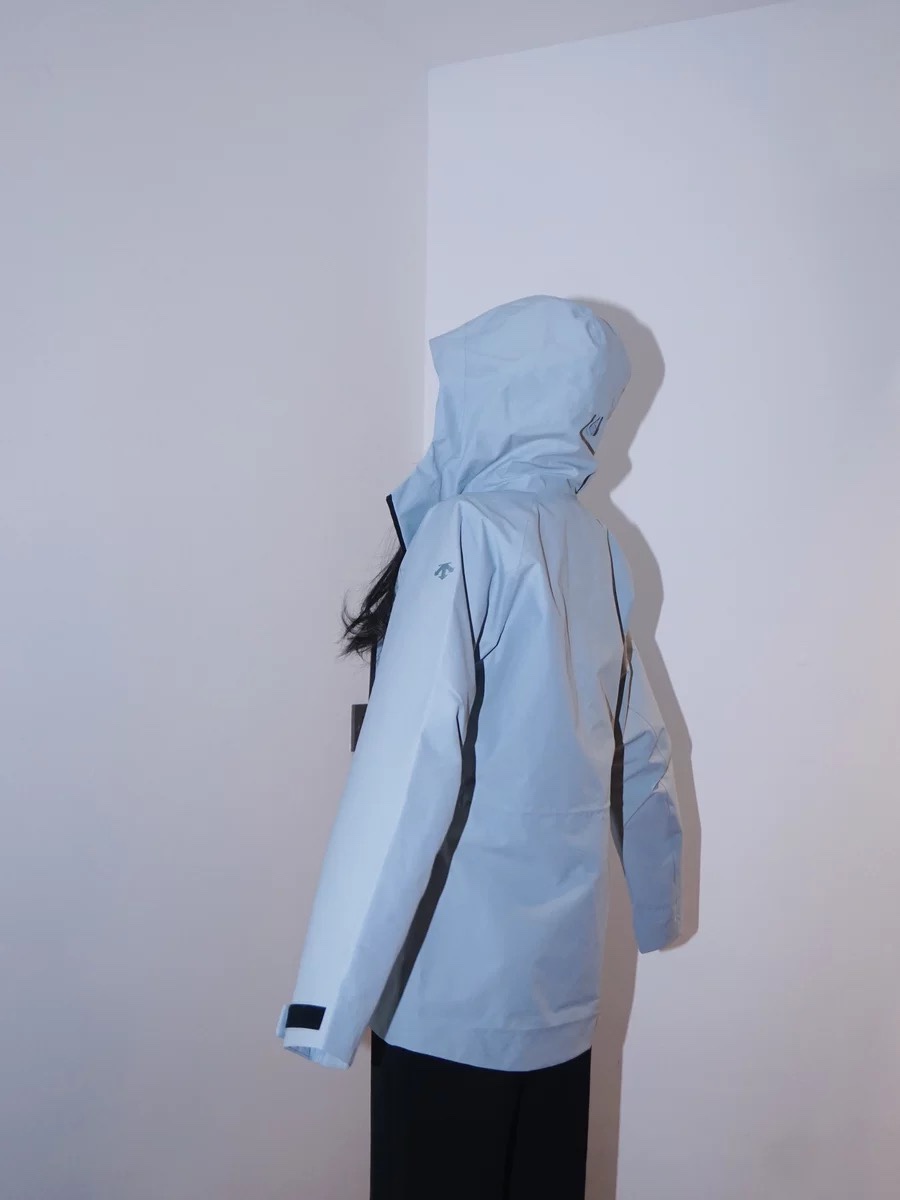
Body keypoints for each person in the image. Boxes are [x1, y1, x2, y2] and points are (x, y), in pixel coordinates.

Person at [275, 295, 683, 1199]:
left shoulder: (468, 530)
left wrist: (325, 1000)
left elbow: (404, 771)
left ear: (501, 395)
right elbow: (643, 752)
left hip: (448, 1001)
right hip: (559, 996)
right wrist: (657, 906)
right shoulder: (599, 548)